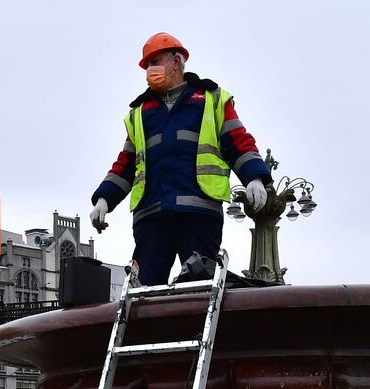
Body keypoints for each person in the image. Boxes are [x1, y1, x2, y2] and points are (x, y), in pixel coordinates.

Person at [90, 32, 273, 286]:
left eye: (156, 61)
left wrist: (255, 177)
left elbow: (238, 141)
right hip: (152, 217)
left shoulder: (212, 98)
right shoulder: (139, 113)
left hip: (198, 213)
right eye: (147, 65)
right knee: (145, 294)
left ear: (176, 62)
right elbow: (126, 164)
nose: (150, 70)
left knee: (199, 289)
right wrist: (104, 199)